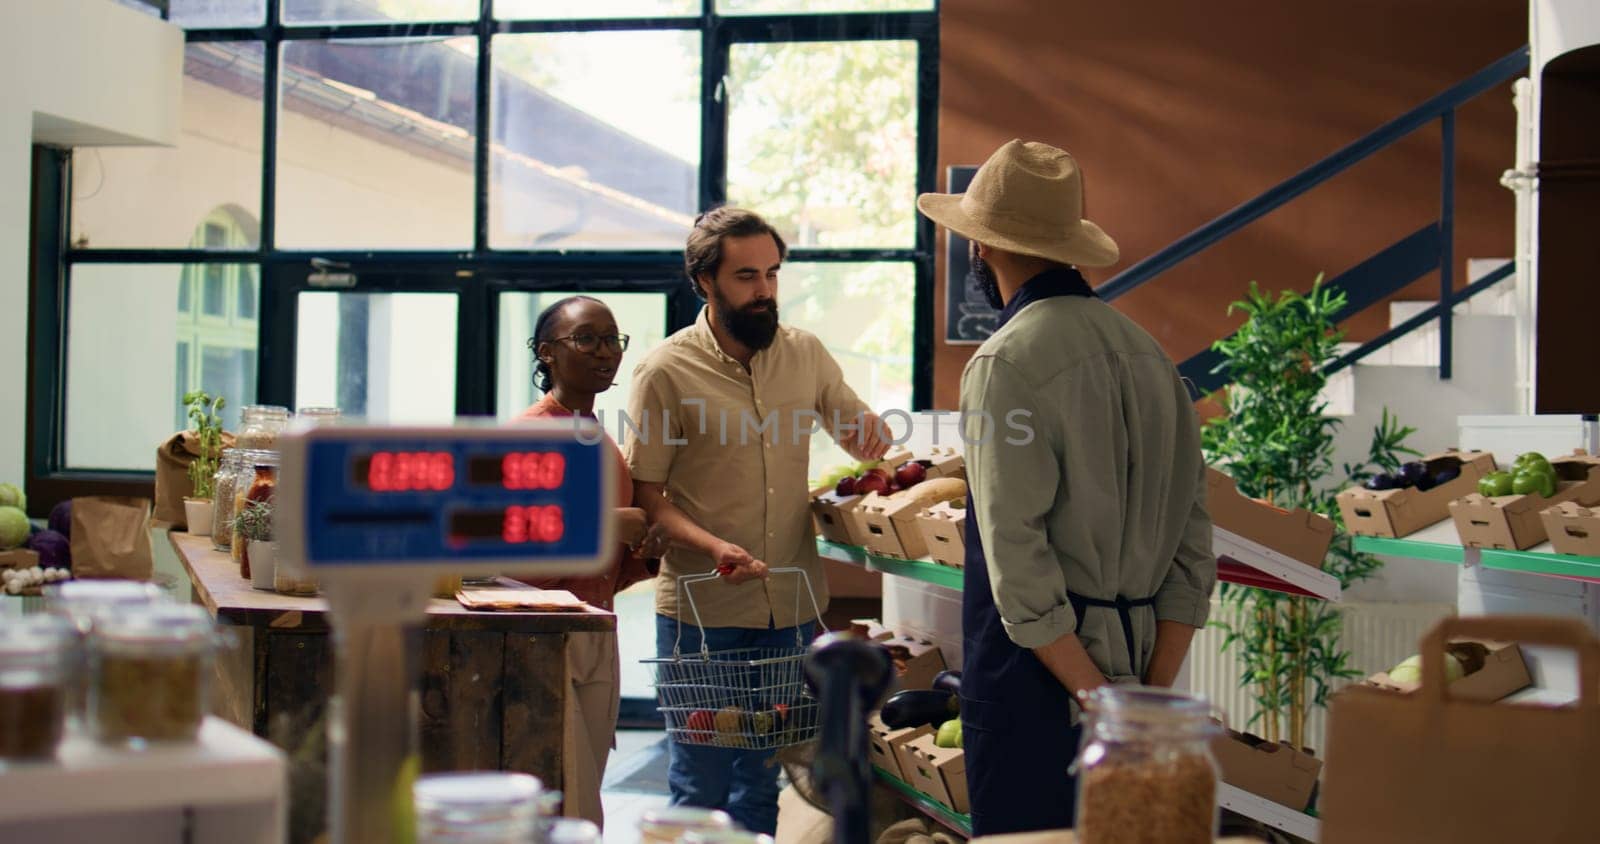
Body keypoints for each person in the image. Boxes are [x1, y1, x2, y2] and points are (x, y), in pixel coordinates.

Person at [916, 140, 1218, 836]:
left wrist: (1094, 699)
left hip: (1036, 690)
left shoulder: (1004, 363)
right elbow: (1193, 547)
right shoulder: (1152, 358)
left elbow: (1016, 563)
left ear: (980, 250)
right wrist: (1142, 702)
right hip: (1140, 676)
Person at [625, 207, 890, 834]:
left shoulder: (804, 353)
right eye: (746, 277)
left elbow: (860, 434)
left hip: (792, 609)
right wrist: (717, 546)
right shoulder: (664, 370)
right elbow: (650, 497)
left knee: (765, 779)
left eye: (772, 273)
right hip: (702, 615)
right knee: (702, 786)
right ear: (704, 282)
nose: (765, 290)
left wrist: (878, 443)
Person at [515, 295, 671, 829]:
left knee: (586, 792)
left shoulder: (601, 440)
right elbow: (512, 549)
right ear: (546, 353)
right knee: (568, 798)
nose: (605, 352)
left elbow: (608, 568)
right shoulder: (530, 436)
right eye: (587, 339)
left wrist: (645, 552)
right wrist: (609, 525)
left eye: (612, 340)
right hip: (542, 638)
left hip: (595, 630)